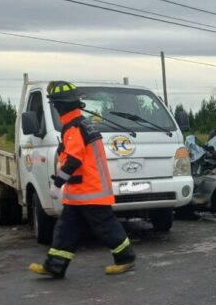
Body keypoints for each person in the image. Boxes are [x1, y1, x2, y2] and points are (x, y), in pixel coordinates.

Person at [29, 81, 136, 279]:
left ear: (60, 105)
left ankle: (125, 258)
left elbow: (74, 160)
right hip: (81, 192)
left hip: (90, 191)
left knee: (106, 227)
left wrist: (57, 184)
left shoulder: (75, 127)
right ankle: (55, 266)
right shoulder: (80, 124)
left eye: (56, 105)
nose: (56, 109)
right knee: (66, 230)